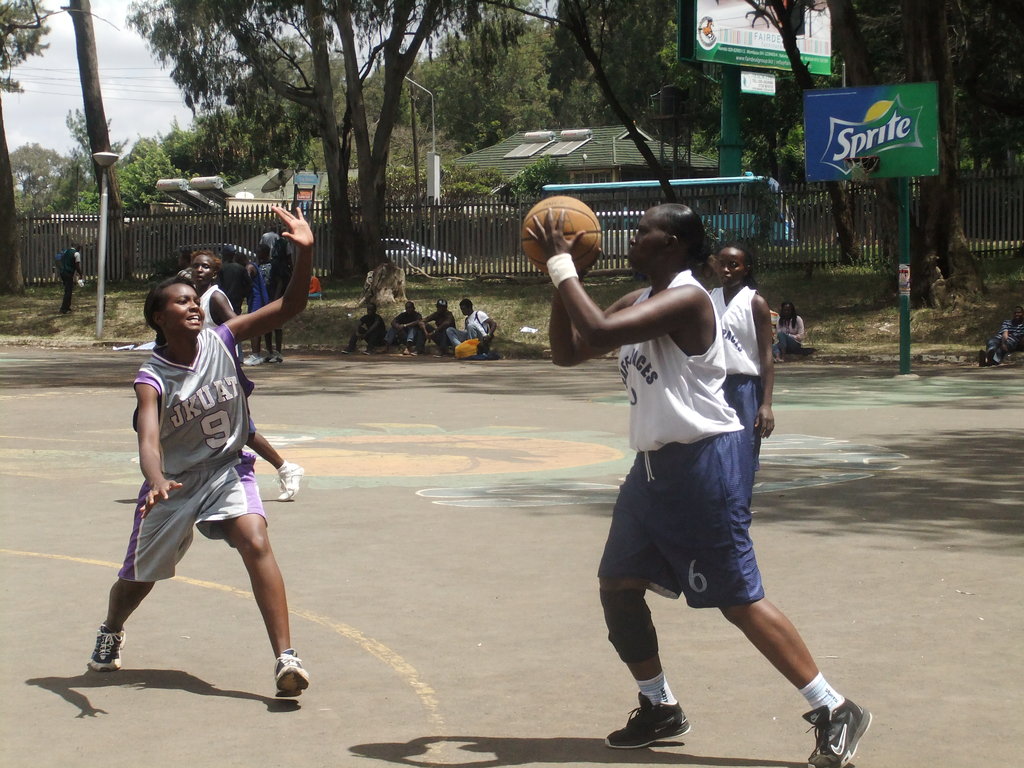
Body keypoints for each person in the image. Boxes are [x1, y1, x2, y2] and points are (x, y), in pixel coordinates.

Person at [528, 203, 871, 768]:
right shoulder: (636, 300)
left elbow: (597, 330)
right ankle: (659, 704)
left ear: (674, 243)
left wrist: (563, 266)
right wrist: (557, 279)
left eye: (643, 231)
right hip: (651, 470)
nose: (631, 238)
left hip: (702, 464)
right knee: (617, 585)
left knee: (737, 599)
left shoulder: (689, 298)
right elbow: (569, 351)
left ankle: (834, 706)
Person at [87, 205, 314, 697]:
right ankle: (111, 628)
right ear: (159, 317)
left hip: (227, 469)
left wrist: (305, 254)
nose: (193, 306)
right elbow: (149, 439)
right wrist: (155, 480)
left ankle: (286, 658)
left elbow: (289, 307)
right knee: (138, 577)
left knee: (255, 539)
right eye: (180, 302)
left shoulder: (223, 338)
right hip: (175, 481)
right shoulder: (152, 377)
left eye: (195, 300)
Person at [190, 251, 305, 502]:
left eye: (205, 267)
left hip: (221, 375)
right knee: (205, 426)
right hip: (202, 375)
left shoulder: (215, 298)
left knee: (243, 429)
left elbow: (237, 327)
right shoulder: (194, 298)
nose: (199, 270)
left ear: (214, 273)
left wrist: (218, 351)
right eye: (196, 266)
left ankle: (285, 467)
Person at [710, 244, 775, 478]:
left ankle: (741, 497)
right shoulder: (709, 299)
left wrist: (766, 404)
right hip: (713, 384)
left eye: (733, 265)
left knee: (744, 450)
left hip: (745, 387)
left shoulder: (755, 303)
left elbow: (766, 355)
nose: (726, 270)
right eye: (721, 264)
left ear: (746, 269)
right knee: (712, 450)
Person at [264, 235, 293, 363]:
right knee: (269, 326)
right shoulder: (276, 265)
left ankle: (277, 352)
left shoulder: (275, 265)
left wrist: (275, 298)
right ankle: (271, 352)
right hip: (271, 298)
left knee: (276, 326)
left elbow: (280, 282)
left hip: (275, 298)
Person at [242, 250, 271, 366]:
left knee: (253, 327)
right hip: (256, 298)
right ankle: (258, 354)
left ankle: (255, 355)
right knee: (258, 327)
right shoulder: (254, 265)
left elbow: (247, 280)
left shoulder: (249, 267)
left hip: (256, 299)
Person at [217, 246, 252, 316]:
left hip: (224, 298)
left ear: (225, 255)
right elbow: (249, 284)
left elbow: (218, 285)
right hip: (237, 299)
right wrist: (243, 294)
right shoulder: (241, 268)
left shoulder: (221, 269)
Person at [57, 243, 84, 314]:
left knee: (68, 289)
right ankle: (63, 309)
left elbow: (58, 258)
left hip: (62, 272)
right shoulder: (76, 254)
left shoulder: (66, 251)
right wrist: (80, 274)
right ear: (77, 248)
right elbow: (77, 266)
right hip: (68, 273)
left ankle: (67, 307)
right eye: (79, 249)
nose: (79, 250)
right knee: (68, 291)